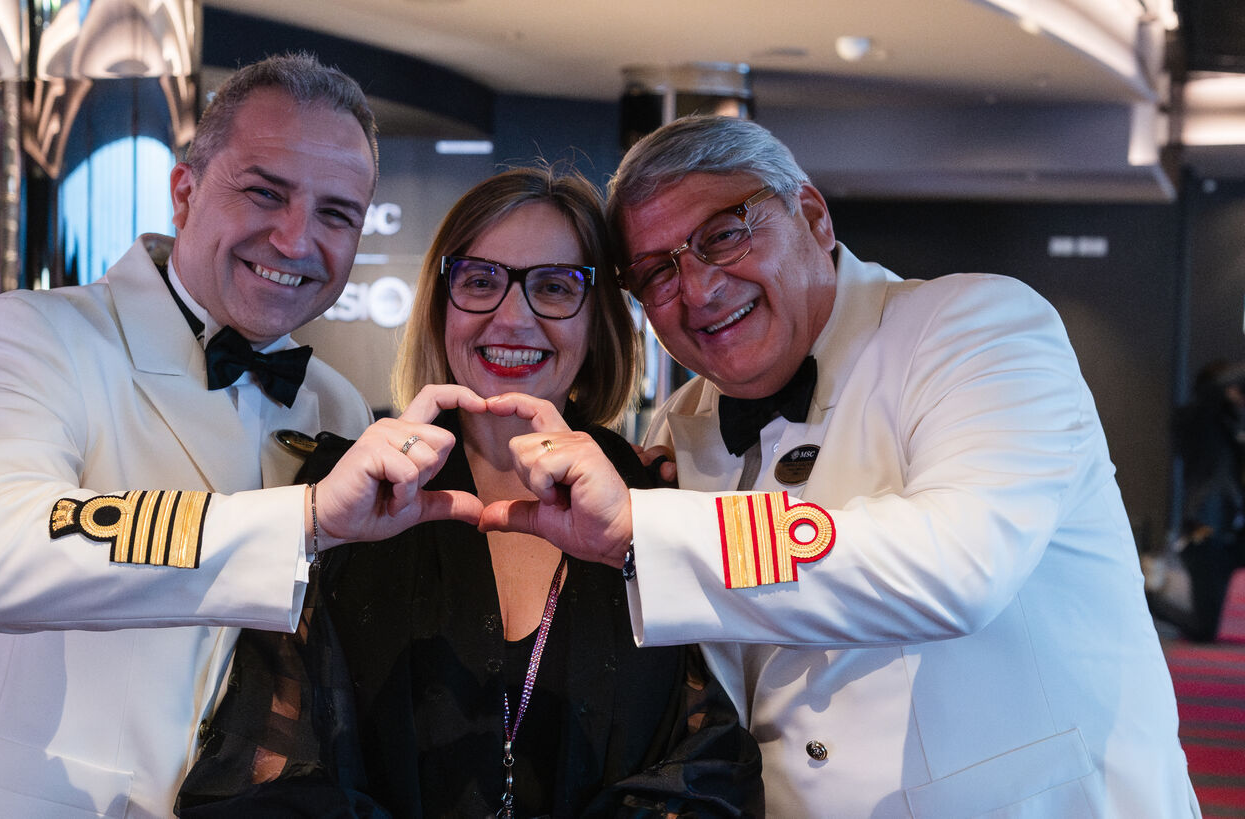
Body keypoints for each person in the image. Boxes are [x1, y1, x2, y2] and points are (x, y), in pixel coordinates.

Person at [477, 116, 1202, 817]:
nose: (697, 290)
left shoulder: (979, 328)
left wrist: (647, 528)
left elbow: (955, 567)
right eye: (657, 272)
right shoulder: (679, 427)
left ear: (814, 217)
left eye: (723, 236)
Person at [0, 53, 484, 818]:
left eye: (336, 213)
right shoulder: (38, 335)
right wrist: (298, 521)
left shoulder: (335, 405)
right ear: (185, 190)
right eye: (265, 192)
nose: (297, 239)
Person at [177, 166, 764, 818]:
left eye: (553, 286)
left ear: (597, 321)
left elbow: (714, 773)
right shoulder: (347, 489)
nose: (512, 317)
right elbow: (264, 774)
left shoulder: (656, 500)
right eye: (481, 281)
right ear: (439, 305)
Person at [1161, 360, 1245, 641]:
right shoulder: (1196, 420)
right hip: (1204, 533)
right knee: (1206, 628)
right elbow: (1214, 392)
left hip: (1226, 532)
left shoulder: (1228, 426)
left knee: (1209, 623)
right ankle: (1146, 594)